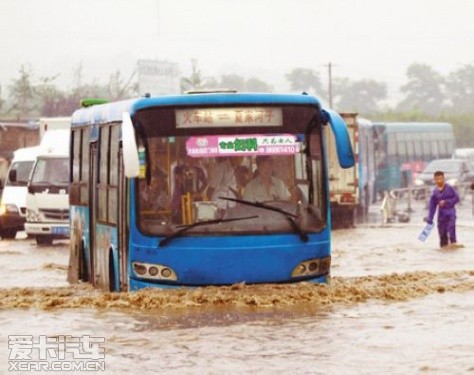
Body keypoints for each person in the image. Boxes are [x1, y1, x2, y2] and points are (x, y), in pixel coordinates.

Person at [425, 170, 460, 248]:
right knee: (442, 235)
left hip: (451, 213)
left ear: (444, 179)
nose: (439, 181)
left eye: (441, 179)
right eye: (437, 179)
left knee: (451, 232)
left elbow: (457, 198)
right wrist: (430, 219)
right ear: (434, 180)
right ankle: (443, 253)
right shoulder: (434, 192)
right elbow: (432, 207)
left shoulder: (450, 188)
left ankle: (453, 250)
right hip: (441, 216)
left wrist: (447, 202)